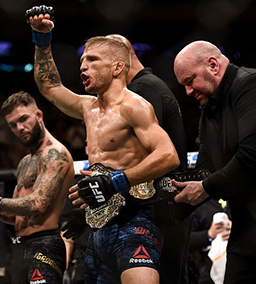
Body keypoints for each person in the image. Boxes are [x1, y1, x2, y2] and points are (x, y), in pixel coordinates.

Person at [26, 5, 179, 284]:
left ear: (118, 67)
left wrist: (116, 182)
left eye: (93, 60)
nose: (83, 66)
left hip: (134, 219)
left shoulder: (135, 106)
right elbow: (49, 87)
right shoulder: (89, 108)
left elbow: (169, 156)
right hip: (98, 224)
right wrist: (41, 39)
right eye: (82, 60)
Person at [0, 91, 75, 284]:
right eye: (13, 125)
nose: (19, 128)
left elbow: (38, 204)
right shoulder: (24, 162)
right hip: (20, 245)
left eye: (23, 119)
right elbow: (17, 217)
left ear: (39, 115)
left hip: (45, 244)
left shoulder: (55, 153)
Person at [106, 34, 191, 284]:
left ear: (119, 62)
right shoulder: (145, 87)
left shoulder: (143, 91)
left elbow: (142, 156)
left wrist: (107, 186)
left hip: (163, 204)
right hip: (162, 204)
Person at [173, 40, 256, 283]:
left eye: (190, 81)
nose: (188, 91)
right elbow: (204, 171)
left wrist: (205, 188)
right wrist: (166, 199)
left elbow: (251, 154)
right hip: (244, 221)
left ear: (213, 65)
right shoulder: (208, 111)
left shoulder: (250, 85)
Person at [189, 199, 231, 284]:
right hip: (205, 267)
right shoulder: (198, 203)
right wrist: (209, 234)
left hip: (237, 261)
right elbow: (187, 241)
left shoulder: (237, 197)